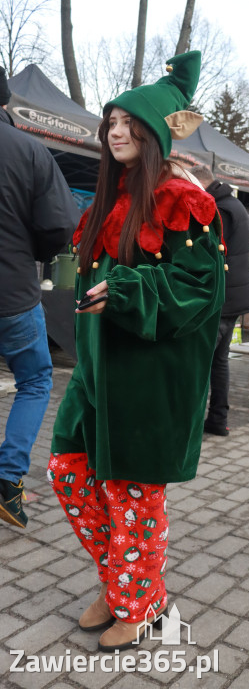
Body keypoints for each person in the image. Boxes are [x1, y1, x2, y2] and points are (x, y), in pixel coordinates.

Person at [47, 51, 225, 652]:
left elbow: (200, 291)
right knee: (68, 473)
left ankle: (139, 601)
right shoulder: (105, 201)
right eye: (112, 123)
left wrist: (125, 289)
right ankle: (123, 582)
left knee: (130, 496)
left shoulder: (187, 200)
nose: (116, 132)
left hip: (149, 379)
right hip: (97, 371)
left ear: (154, 134)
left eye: (129, 124)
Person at [0, 66, 80, 529]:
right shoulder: (29, 149)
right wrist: (38, 253)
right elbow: (60, 226)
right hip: (12, 292)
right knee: (34, 380)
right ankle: (8, 479)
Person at [190, 164, 249, 436]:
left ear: (200, 184)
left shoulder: (220, 209)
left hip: (220, 298)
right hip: (233, 296)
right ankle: (216, 421)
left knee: (200, 361)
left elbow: (210, 254)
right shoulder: (233, 204)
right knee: (218, 361)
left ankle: (191, 424)